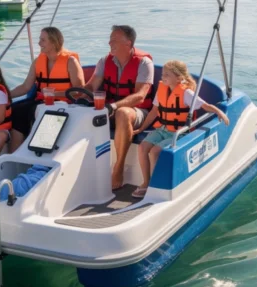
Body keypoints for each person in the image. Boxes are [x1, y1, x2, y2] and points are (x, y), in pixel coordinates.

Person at [131, 60, 230, 198]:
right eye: (163, 74)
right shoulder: (162, 90)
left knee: (155, 151)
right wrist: (141, 128)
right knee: (142, 148)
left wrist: (220, 112)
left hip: (177, 133)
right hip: (162, 129)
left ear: (179, 78)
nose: (163, 77)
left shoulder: (186, 93)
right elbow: (154, 111)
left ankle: (154, 186)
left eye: (167, 75)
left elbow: (205, 106)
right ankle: (146, 182)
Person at [83, 25, 155, 190]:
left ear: (128, 43)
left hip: (137, 111)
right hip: (108, 109)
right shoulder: (104, 61)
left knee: (122, 113)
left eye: (114, 40)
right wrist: (74, 94)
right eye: (110, 39)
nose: (109, 43)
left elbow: (140, 96)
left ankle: (119, 167)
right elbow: (91, 86)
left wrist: (114, 106)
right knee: (81, 114)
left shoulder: (144, 63)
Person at [9, 27, 85, 152]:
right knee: (17, 111)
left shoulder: (70, 61)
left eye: (43, 40)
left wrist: (56, 93)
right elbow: (25, 87)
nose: (39, 44)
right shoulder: (37, 62)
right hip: (42, 102)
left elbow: (79, 91)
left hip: (65, 104)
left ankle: (41, 157)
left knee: (47, 113)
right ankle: (13, 157)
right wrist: (6, 95)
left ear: (54, 42)